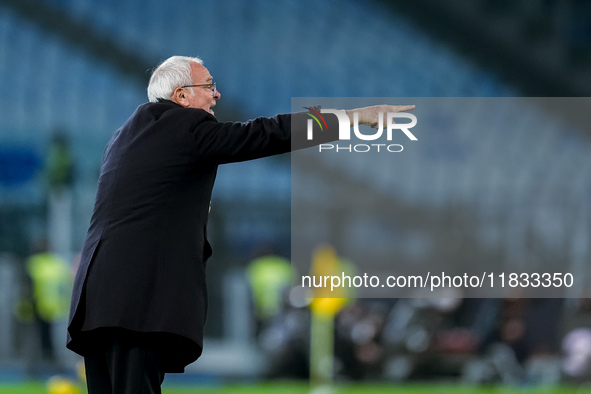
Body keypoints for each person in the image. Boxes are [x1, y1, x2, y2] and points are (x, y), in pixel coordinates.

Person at [66, 55, 414, 393]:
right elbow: (268, 133)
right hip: (136, 303)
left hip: (98, 301)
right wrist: (353, 118)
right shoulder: (184, 125)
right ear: (182, 95)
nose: (217, 95)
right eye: (209, 86)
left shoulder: (126, 136)